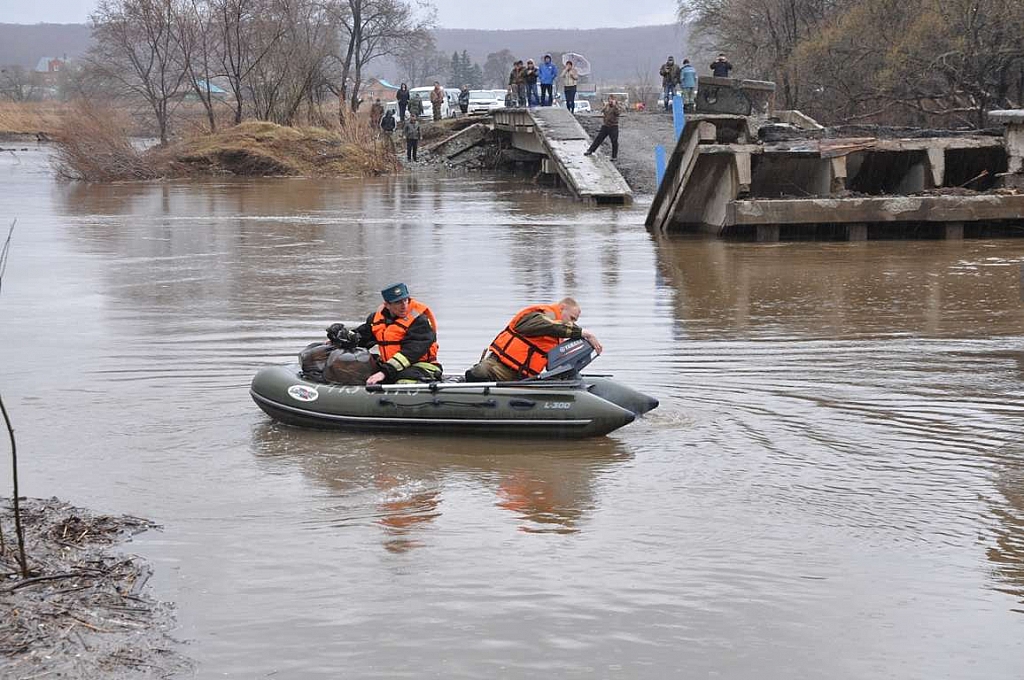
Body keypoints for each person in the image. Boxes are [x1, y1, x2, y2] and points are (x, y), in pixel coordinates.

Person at [464, 298, 602, 382]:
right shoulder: (539, 316)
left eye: (575, 321)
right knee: (478, 373)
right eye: (571, 318)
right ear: (562, 308)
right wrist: (582, 332)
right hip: (498, 368)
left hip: (522, 378)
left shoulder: (558, 330)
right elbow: (548, 326)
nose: (572, 323)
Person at [348, 283, 442, 385]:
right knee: (357, 365)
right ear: (387, 305)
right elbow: (361, 337)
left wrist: (384, 372)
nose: (404, 306)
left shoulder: (419, 321)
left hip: (422, 366)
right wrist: (343, 336)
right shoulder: (376, 319)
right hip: (391, 368)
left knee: (405, 380)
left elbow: (411, 352)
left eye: (405, 300)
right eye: (398, 302)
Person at [583, 94, 623, 161]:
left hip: (614, 126)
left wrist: (614, 106)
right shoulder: (607, 106)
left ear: (615, 100)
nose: (611, 100)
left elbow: (618, 113)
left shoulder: (617, 106)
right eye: (610, 99)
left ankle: (614, 156)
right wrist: (604, 106)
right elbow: (602, 111)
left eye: (612, 99)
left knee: (614, 141)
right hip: (605, 125)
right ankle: (590, 150)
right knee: (599, 138)